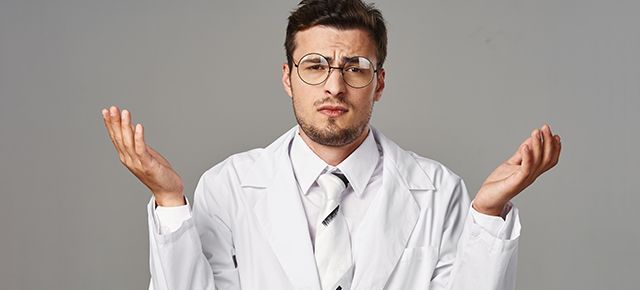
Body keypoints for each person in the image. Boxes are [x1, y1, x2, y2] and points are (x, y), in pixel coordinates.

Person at [101, 0, 561, 289]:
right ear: (288, 77)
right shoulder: (230, 185)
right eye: (315, 65)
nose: (334, 87)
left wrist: (488, 213)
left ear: (378, 83)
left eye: (356, 67)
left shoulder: (438, 189)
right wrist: (168, 202)